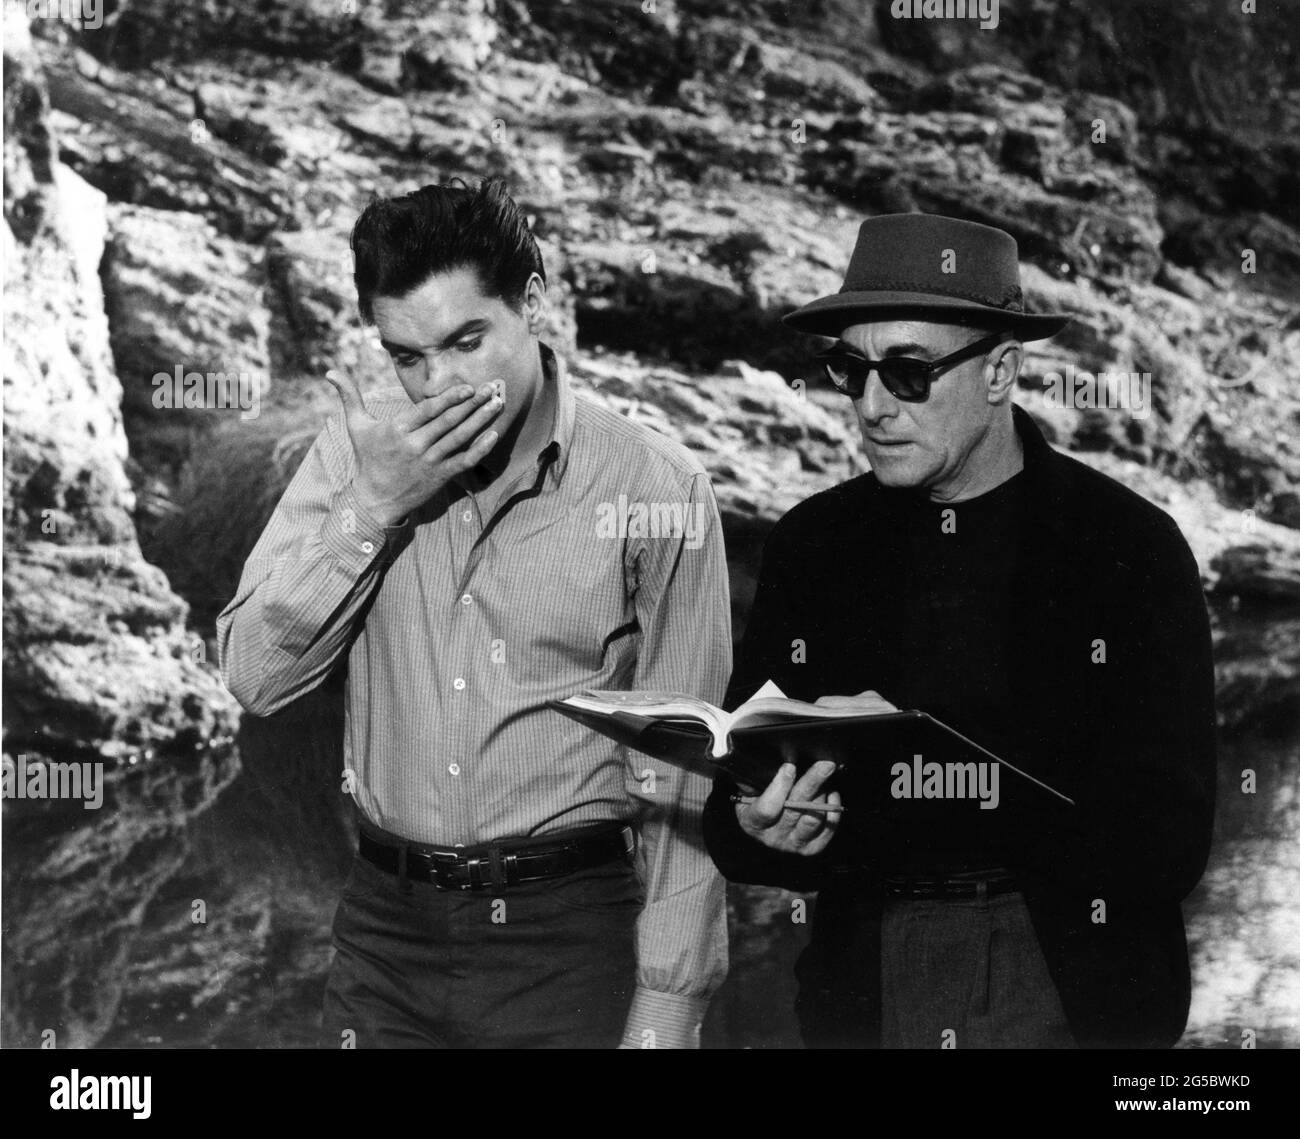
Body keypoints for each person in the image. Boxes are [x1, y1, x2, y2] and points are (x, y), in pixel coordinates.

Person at [217, 177, 729, 1049]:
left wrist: (667, 1007)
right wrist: (371, 509)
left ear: (531, 302)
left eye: (464, 342)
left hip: (567, 937)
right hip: (384, 929)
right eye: (407, 358)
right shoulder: (359, 455)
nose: (440, 386)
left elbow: (687, 774)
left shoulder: (656, 488)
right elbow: (255, 677)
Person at [703, 213, 1217, 1049]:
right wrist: (763, 828)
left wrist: (918, 769)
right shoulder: (814, 544)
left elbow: (1168, 846)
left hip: (1075, 986)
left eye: (909, 372)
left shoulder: (1128, 549)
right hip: (863, 984)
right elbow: (738, 804)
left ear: (1001, 370)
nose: (871, 406)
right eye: (851, 369)